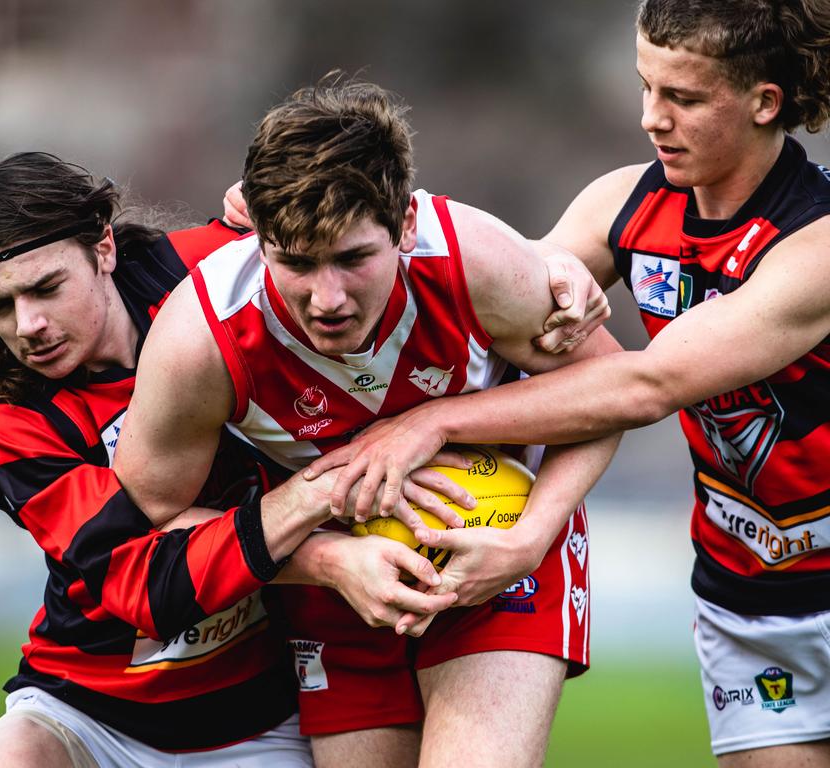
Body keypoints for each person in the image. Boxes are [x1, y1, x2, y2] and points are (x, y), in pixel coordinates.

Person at [295, 2, 830, 765]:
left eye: (682, 98)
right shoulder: (624, 204)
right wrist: (299, 218)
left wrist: (437, 422)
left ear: (764, 101)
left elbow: (647, 385)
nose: (652, 118)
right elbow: (496, 300)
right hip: (746, 596)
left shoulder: (817, 242)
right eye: (646, 88)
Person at [113, 76, 622, 768]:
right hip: (332, 590)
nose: (327, 299)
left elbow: (610, 392)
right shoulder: (201, 338)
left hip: (501, 551)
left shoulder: (472, 259)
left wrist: (530, 538)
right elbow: (153, 518)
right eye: (294, 263)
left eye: (354, 259)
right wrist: (328, 561)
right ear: (256, 235)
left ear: (406, 225)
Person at [0, 151, 479, 768]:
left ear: (103, 248)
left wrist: (555, 275)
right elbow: (137, 577)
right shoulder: (7, 416)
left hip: (265, 712)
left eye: (47, 288)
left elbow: (356, 236)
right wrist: (321, 528)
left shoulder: (200, 275)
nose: (29, 325)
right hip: (88, 707)